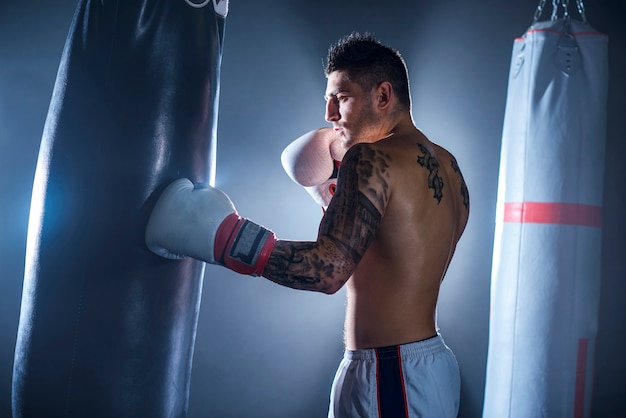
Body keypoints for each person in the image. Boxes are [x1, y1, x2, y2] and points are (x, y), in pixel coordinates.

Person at [145, 32, 469, 417]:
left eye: (342, 98)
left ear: (383, 97)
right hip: (425, 366)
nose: (330, 114)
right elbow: (385, 248)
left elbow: (328, 270)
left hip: (389, 374)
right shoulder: (449, 167)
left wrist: (223, 237)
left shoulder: (371, 159)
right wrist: (333, 166)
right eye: (327, 100)